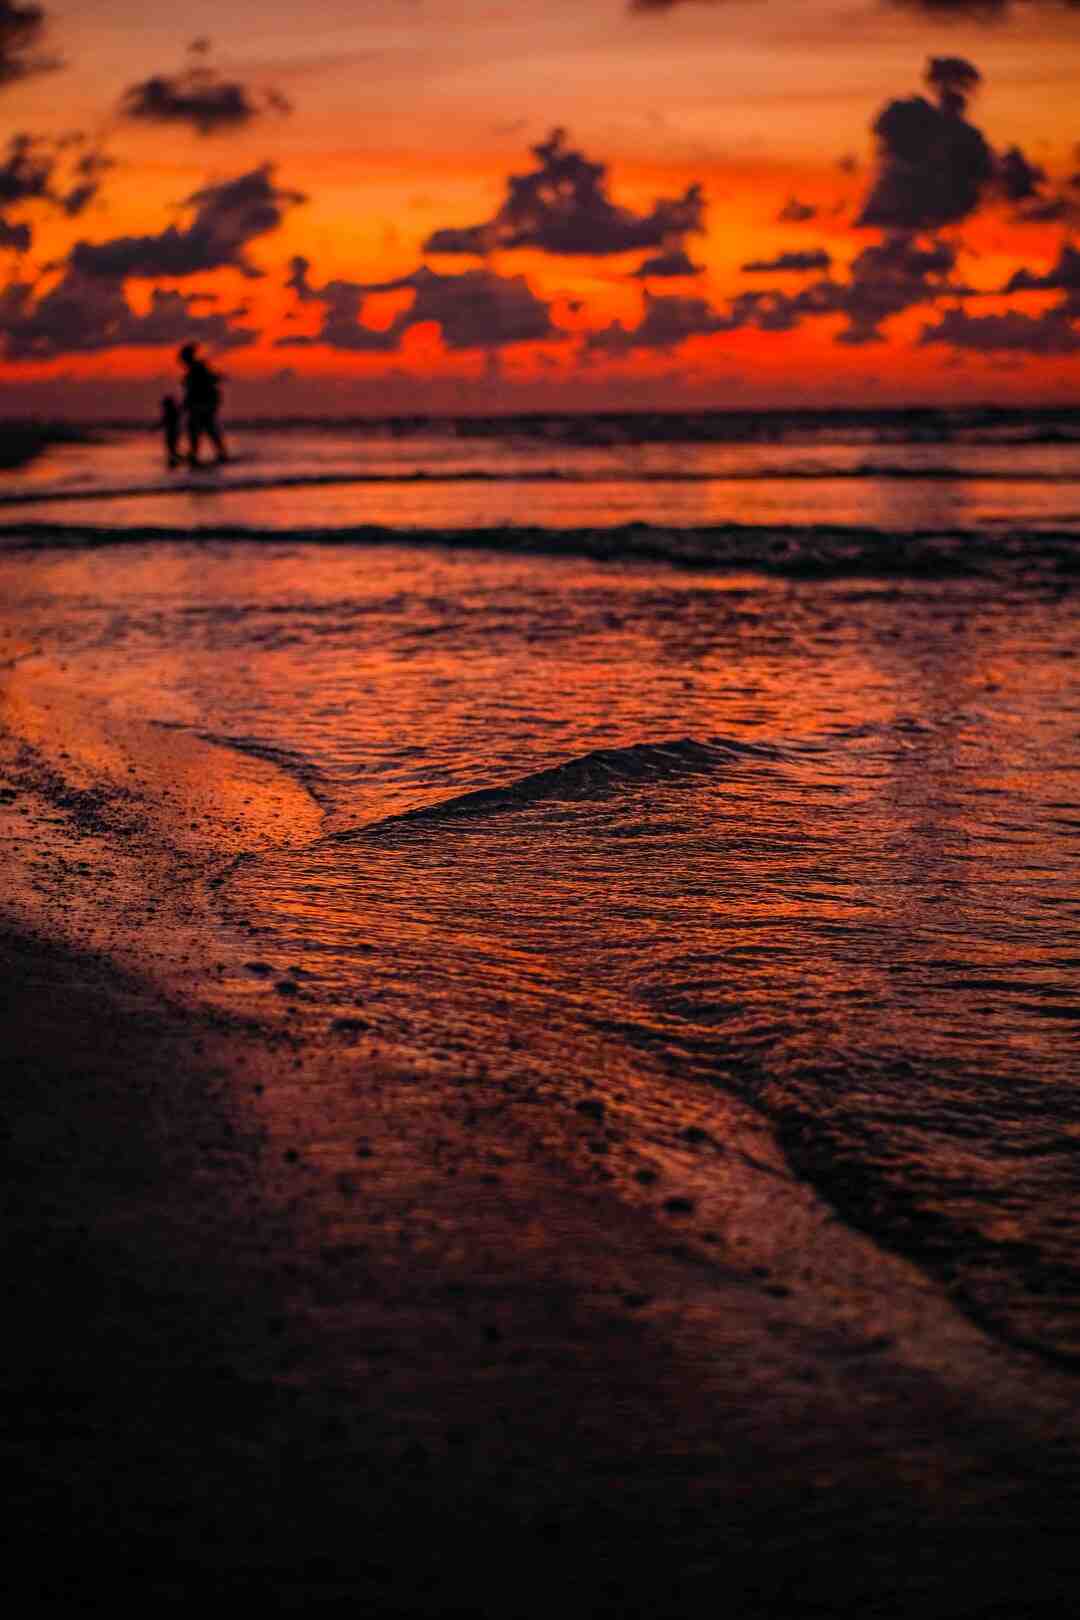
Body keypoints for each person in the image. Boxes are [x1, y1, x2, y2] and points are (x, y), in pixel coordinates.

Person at [178, 342, 228, 466]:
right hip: (203, 403)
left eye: (183, 358)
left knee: (200, 428)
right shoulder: (196, 369)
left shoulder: (197, 368)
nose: (181, 361)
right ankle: (217, 454)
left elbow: (198, 387)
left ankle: (200, 454)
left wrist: (185, 404)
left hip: (204, 404)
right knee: (204, 428)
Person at [159, 395, 183, 467]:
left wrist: (155, 428)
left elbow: (164, 421)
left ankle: (176, 460)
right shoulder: (174, 411)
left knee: (171, 447)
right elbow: (164, 421)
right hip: (174, 431)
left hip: (173, 431)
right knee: (172, 447)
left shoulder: (171, 411)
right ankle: (175, 459)